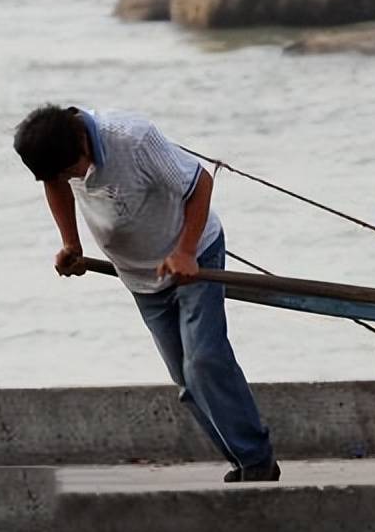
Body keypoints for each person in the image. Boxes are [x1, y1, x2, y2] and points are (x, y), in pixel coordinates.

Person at [14, 105, 280, 481]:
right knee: (187, 383)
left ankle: (257, 462)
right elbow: (54, 183)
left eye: (68, 170)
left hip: (194, 255)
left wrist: (186, 251)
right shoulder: (60, 156)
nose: (68, 178)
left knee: (204, 361)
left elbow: (199, 182)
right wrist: (71, 244)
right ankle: (244, 460)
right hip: (140, 276)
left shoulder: (133, 139)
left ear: (82, 143)